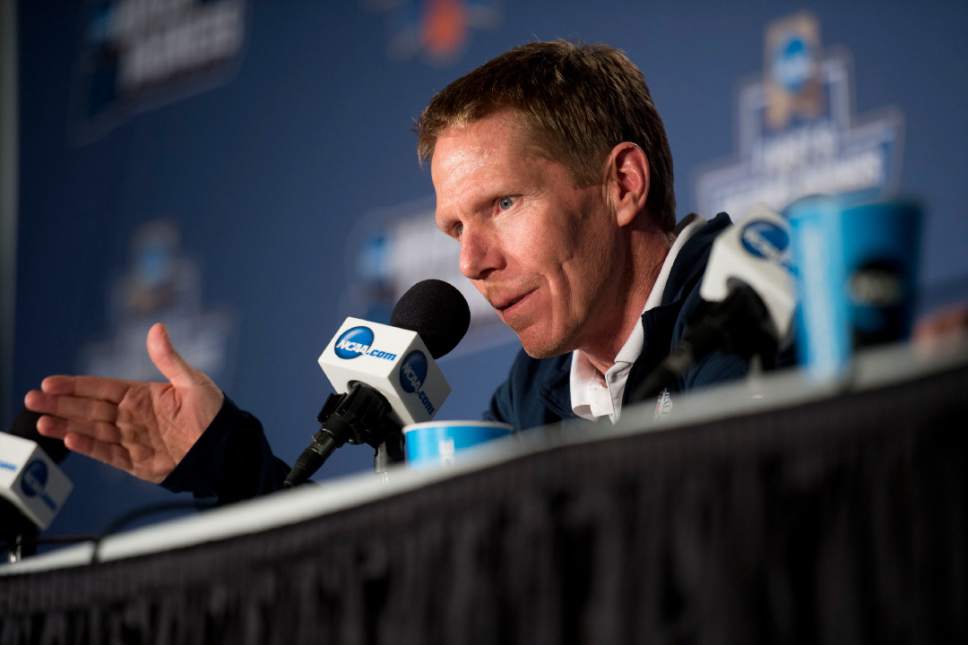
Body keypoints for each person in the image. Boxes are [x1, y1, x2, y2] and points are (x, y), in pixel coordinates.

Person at [23, 41, 754, 502]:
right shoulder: (536, 392)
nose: (473, 262)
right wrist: (223, 462)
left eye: (502, 203)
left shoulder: (755, 305)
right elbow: (403, 585)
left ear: (623, 183)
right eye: (455, 228)